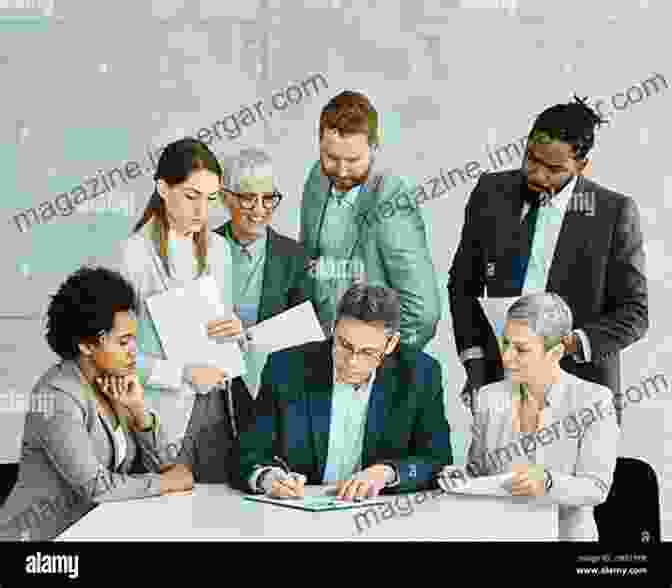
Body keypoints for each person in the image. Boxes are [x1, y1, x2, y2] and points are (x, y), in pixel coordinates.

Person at [448, 95, 648, 424]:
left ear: (581, 166)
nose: (538, 174)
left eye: (554, 169)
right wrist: (475, 364)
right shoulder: (490, 192)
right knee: (496, 475)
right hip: (500, 382)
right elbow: (462, 285)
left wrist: (568, 344)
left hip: (581, 393)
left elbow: (635, 313)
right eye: (531, 159)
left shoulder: (614, 212)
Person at [0, 267, 193, 541]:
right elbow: (96, 486)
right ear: (87, 346)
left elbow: (167, 464)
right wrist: (165, 484)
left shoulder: (116, 380)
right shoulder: (57, 396)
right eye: (123, 341)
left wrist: (139, 411)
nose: (133, 351)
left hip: (91, 532)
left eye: (134, 339)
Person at [113, 137, 256, 482]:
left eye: (210, 199)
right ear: (163, 188)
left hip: (220, 409)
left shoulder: (221, 250)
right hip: (163, 412)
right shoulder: (133, 255)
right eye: (191, 196)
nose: (201, 212)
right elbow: (116, 357)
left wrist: (238, 332)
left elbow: (228, 338)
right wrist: (181, 374)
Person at [232, 284, 453, 500]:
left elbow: (437, 460)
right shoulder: (285, 367)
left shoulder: (420, 374)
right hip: (298, 510)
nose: (352, 362)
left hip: (378, 512)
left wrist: (388, 473)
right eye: (344, 345)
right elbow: (247, 453)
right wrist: (267, 478)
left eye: (368, 352)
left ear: (391, 344)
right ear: (333, 329)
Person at [445, 292, 619, 541]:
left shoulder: (594, 400)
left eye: (521, 349)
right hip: (500, 534)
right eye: (505, 344)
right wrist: (461, 476)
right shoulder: (488, 397)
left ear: (556, 352)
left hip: (564, 538)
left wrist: (549, 482)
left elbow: (597, 487)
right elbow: (479, 472)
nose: (507, 358)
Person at [300, 91, 440, 351]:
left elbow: (423, 313)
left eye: (353, 161)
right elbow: (309, 267)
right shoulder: (316, 178)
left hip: (366, 361)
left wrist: (382, 358)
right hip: (321, 353)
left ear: (374, 148)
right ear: (319, 143)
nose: (341, 171)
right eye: (331, 158)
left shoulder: (391, 201)